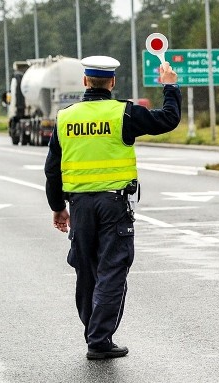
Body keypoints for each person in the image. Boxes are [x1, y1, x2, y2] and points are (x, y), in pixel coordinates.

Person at [44, 55, 181, 360]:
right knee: (113, 269)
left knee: (86, 270)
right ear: (112, 82)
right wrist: (170, 86)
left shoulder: (66, 118)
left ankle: (93, 331)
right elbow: (168, 119)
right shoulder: (124, 114)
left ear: (85, 82)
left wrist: (57, 207)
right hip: (113, 205)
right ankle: (99, 339)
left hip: (79, 205)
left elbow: (53, 169)